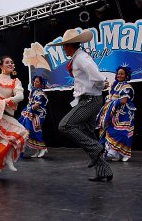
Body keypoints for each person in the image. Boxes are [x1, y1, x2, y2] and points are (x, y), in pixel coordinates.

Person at [56, 29, 113, 182]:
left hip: (90, 100)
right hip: (86, 99)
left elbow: (98, 77)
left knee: (65, 125)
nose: (63, 49)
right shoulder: (77, 58)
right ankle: (103, 171)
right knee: (87, 134)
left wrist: (99, 88)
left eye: (64, 46)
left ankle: (96, 148)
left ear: (69, 46)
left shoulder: (81, 58)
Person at [96, 66, 136, 162]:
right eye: (118, 73)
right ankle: (116, 154)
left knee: (123, 133)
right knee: (110, 131)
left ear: (126, 75)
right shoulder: (114, 85)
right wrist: (109, 100)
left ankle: (125, 154)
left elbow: (123, 100)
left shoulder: (127, 87)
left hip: (124, 114)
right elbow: (111, 97)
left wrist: (111, 102)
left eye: (122, 74)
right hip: (114, 114)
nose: (119, 75)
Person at [18, 75, 49, 158]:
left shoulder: (41, 93)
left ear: (41, 83)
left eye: (37, 82)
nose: (35, 83)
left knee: (35, 129)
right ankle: (37, 150)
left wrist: (29, 110)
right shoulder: (33, 92)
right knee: (29, 130)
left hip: (38, 115)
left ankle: (43, 148)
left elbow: (36, 105)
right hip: (31, 113)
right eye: (34, 81)